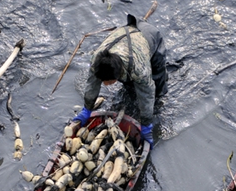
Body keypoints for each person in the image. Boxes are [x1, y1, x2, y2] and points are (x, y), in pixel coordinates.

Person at [72, 14, 168, 149]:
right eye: (103, 81)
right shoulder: (97, 61)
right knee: (130, 88)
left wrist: (146, 124)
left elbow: (147, 93)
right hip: (124, 34)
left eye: (108, 81)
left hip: (151, 39)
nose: (105, 85)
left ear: (117, 75)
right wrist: (87, 109)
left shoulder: (138, 68)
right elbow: (92, 83)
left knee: (157, 90)